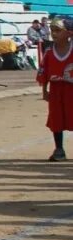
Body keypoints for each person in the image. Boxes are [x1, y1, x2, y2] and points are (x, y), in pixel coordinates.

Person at [37, 17, 73, 161]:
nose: (54, 33)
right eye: (52, 30)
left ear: (69, 33)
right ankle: (59, 149)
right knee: (56, 118)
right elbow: (43, 72)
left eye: (58, 30)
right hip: (56, 90)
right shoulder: (49, 52)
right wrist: (44, 90)